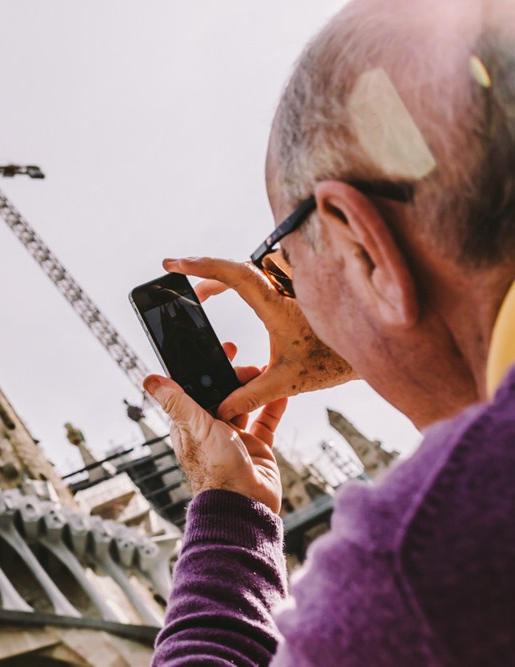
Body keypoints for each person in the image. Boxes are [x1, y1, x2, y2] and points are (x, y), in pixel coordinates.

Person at [147, 0, 515, 664]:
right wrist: (392, 324)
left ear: (359, 239)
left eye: (282, 252)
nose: (295, 297)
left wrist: (229, 517)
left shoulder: (417, 564)